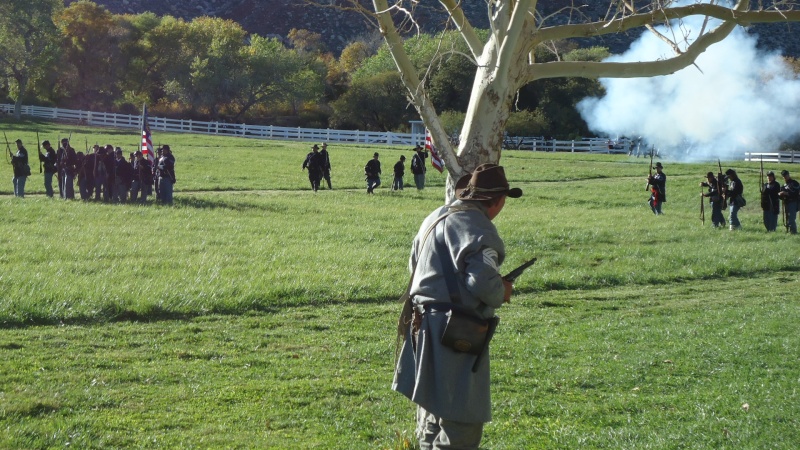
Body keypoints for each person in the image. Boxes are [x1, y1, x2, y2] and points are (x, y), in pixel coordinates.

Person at [393, 163, 522, 450]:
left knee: (432, 416)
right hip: (453, 332)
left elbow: (415, 265)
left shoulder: (435, 217)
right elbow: (484, 285)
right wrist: (504, 289)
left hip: (422, 325)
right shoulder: (479, 228)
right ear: (498, 201)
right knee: (461, 426)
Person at [778, 169, 800, 234]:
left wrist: (786, 193)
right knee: (787, 218)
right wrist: (780, 194)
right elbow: (781, 196)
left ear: (788, 175)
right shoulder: (784, 186)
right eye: (784, 176)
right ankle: (789, 231)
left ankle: (794, 232)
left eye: (786, 175)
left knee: (791, 218)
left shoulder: (794, 183)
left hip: (794, 202)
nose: (785, 177)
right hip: (787, 203)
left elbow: (795, 193)